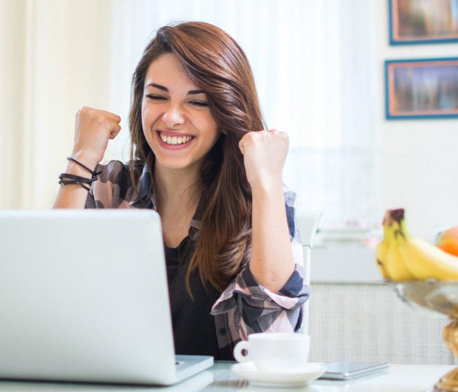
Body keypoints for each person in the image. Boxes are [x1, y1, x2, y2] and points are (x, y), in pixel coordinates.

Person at [53, 21, 308, 360]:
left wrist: (266, 184)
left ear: (226, 112)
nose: (172, 117)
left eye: (198, 102)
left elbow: (273, 339)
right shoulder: (111, 190)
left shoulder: (258, 201)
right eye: (157, 97)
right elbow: (50, 296)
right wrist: (82, 159)